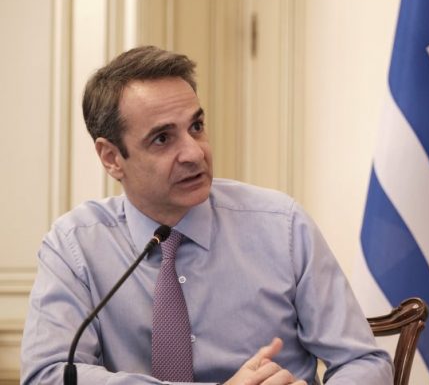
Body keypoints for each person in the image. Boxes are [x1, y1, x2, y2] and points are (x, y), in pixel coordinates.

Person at [20, 46, 393, 385]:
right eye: (163, 139)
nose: (195, 153)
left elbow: (363, 361)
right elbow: (48, 375)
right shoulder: (75, 246)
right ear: (112, 157)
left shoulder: (283, 227)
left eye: (196, 127)